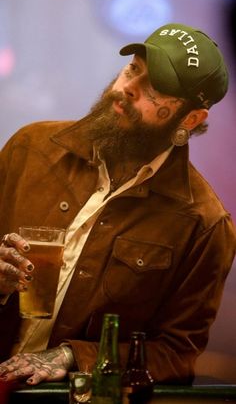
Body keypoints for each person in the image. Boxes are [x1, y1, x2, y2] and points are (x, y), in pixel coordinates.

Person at [0, 22, 235, 387]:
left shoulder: (204, 224)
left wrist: (75, 356)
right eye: (133, 69)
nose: (127, 88)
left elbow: (175, 354)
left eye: (153, 89)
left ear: (189, 119)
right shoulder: (29, 148)